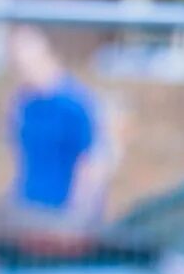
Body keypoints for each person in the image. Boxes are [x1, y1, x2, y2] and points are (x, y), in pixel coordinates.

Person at [7, 25, 114, 227]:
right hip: (27, 210)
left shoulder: (76, 103)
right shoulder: (24, 103)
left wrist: (78, 215)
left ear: (47, 53)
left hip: (62, 215)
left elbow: (94, 161)